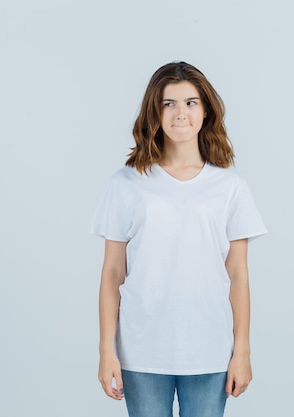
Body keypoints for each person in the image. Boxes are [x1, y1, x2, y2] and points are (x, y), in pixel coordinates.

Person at [90, 61, 267, 417]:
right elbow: (112, 273)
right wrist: (106, 351)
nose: (180, 113)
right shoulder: (126, 184)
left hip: (209, 348)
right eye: (168, 103)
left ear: (206, 112)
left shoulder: (230, 187)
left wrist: (242, 351)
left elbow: (238, 274)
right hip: (141, 349)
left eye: (190, 102)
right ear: (154, 112)